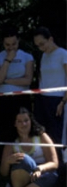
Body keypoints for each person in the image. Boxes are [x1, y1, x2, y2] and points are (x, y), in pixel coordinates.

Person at [0, 108, 59, 187]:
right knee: (23, 159)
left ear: (31, 121)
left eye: (26, 121)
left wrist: (40, 168)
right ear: (15, 124)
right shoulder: (11, 143)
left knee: (51, 177)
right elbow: (3, 172)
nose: (23, 124)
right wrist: (8, 161)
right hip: (21, 179)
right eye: (19, 122)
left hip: (42, 175)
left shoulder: (41, 136)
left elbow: (54, 163)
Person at [0, 26, 34, 142]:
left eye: (13, 44)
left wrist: (7, 80)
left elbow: (27, 80)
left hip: (21, 99)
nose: (11, 48)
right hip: (2, 100)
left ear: (18, 41)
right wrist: (7, 60)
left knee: (23, 131)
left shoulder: (27, 57)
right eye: (7, 45)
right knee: (4, 132)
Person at [32, 27, 66, 161]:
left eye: (42, 44)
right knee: (42, 133)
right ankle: (46, 163)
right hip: (42, 99)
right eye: (37, 45)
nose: (41, 48)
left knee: (56, 135)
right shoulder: (44, 56)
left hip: (57, 99)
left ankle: (59, 167)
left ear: (50, 39)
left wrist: (63, 102)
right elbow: (42, 78)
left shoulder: (63, 54)